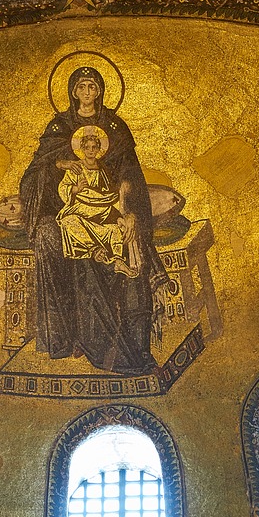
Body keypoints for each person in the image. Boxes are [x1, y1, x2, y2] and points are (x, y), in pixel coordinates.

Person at [18, 66, 167, 374]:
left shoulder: (115, 127)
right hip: (72, 212)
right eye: (81, 87)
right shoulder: (59, 127)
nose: (87, 93)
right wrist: (62, 164)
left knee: (126, 243)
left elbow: (131, 176)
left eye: (93, 87)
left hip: (111, 210)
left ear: (100, 91)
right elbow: (35, 175)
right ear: (73, 92)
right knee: (50, 235)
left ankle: (132, 345)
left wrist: (131, 212)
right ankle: (64, 337)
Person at [55, 126, 139, 278]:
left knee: (114, 229)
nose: (91, 151)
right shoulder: (76, 167)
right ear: (82, 149)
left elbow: (109, 194)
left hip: (101, 208)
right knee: (68, 222)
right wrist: (75, 189)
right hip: (81, 207)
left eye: (94, 147)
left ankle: (118, 261)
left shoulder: (102, 169)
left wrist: (119, 211)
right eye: (87, 147)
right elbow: (63, 187)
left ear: (99, 149)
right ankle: (94, 249)